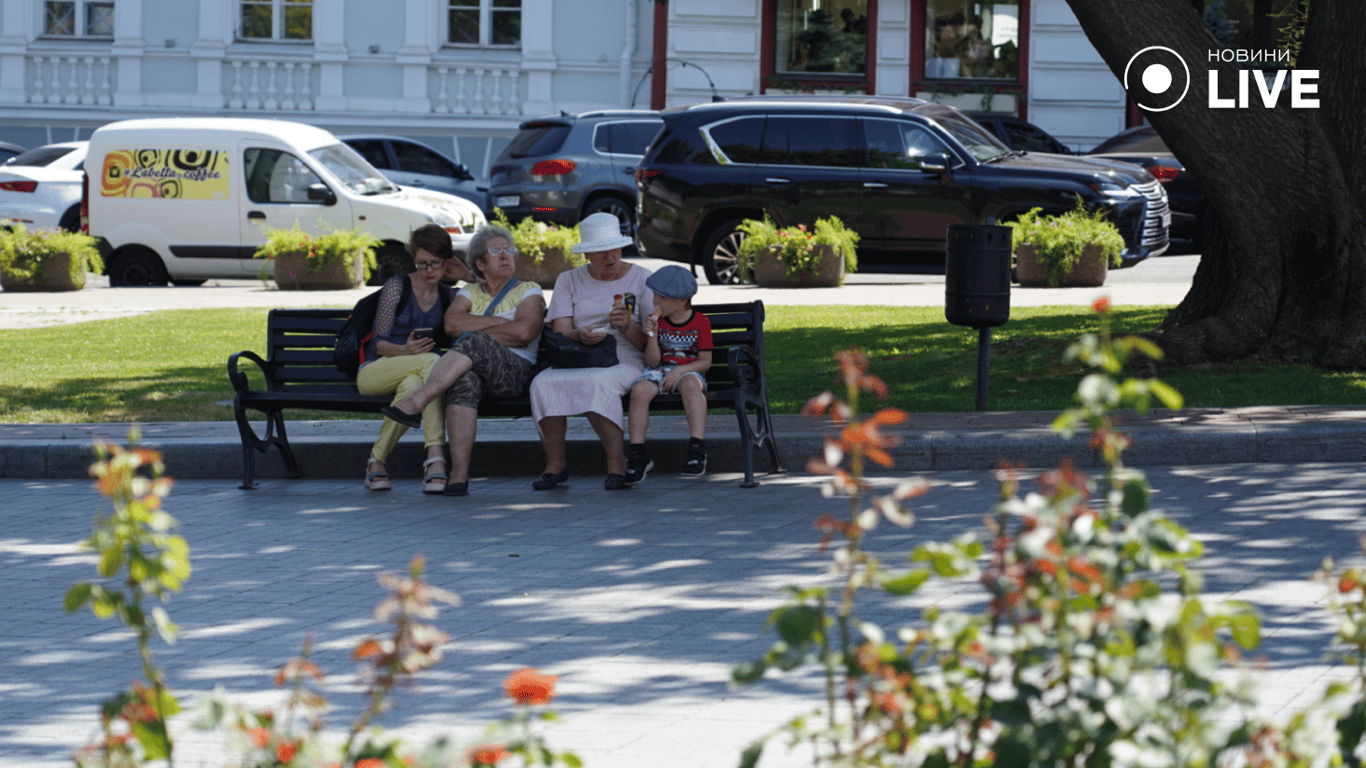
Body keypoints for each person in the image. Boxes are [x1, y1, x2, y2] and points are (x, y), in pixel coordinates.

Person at [378, 224, 546, 496]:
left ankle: (417, 401)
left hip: (514, 373)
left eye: (509, 250)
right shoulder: (470, 292)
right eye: (495, 251)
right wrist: (503, 324)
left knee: (475, 341)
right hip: (476, 372)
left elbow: (525, 332)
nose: (505, 256)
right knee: (463, 380)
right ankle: (458, 475)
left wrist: (478, 326)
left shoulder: (529, 289)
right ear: (479, 263)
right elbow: (452, 326)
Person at [529, 211, 655, 491]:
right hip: (579, 355)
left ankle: (617, 463)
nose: (609, 257)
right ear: (586, 254)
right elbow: (560, 331)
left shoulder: (642, 279)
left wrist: (625, 328)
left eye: (613, 250)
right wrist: (578, 335)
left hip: (625, 356)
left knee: (598, 383)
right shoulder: (569, 280)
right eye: (599, 252)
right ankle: (555, 465)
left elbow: (651, 342)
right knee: (542, 384)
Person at [357, 223, 464, 494]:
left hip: (414, 375)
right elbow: (379, 344)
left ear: (448, 262)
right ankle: (435, 457)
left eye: (436, 264)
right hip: (375, 371)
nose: (428, 271)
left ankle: (376, 461)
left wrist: (468, 276)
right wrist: (404, 351)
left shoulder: (448, 295)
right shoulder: (397, 286)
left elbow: (489, 298)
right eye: (422, 264)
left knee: (417, 386)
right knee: (433, 363)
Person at [624, 265, 713, 485]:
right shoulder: (659, 322)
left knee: (691, 387)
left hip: (689, 370)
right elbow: (652, 362)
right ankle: (637, 454)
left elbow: (705, 362)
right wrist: (651, 336)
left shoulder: (700, 322)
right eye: (655, 295)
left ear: (683, 300)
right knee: (639, 390)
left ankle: (696, 449)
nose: (655, 302)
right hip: (660, 370)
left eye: (662, 297)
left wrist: (680, 370)